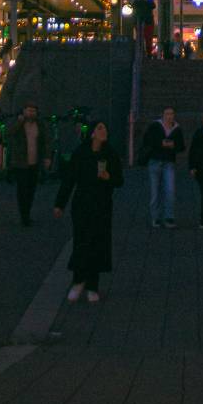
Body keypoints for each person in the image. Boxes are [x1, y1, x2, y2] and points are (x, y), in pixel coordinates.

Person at [54, 120, 124, 301]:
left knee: (98, 243)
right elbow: (69, 179)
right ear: (92, 133)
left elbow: (119, 180)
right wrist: (60, 204)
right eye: (100, 128)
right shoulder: (81, 152)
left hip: (102, 205)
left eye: (105, 128)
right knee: (81, 242)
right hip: (82, 204)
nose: (104, 131)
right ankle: (78, 281)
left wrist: (109, 177)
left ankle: (93, 285)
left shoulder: (110, 153)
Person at [139, 106, 185, 228]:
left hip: (168, 163)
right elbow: (147, 140)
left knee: (170, 190)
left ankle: (169, 217)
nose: (170, 116)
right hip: (154, 161)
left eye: (171, 113)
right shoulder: (155, 126)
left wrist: (173, 145)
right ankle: (156, 217)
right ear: (163, 115)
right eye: (167, 114)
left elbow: (181, 146)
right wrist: (161, 143)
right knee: (155, 192)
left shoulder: (177, 129)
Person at [6, 102, 51, 227]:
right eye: (28, 110)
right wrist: (19, 122)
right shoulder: (18, 123)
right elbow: (8, 133)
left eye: (33, 111)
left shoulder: (39, 125)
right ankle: (24, 216)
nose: (31, 113)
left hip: (34, 162)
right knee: (22, 190)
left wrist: (47, 157)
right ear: (24, 111)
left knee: (31, 189)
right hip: (21, 163)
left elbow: (46, 140)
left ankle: (27, 212)